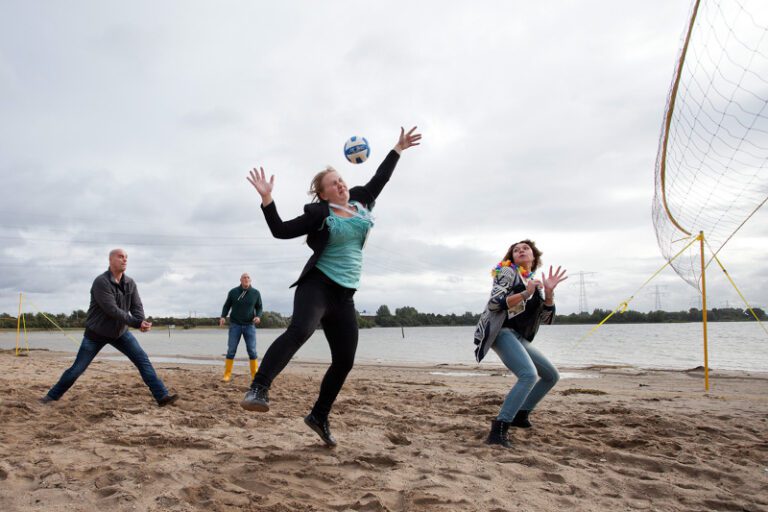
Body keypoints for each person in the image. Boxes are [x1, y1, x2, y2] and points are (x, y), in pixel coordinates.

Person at [240, 126, 422, 446]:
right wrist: (267, 199)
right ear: (323, 194)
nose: (340, 184)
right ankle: (259, 387)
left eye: (341, 179)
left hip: (345, 295)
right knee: (300, 330)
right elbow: (281, 231)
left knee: (345, 360)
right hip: (318, 285)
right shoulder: (319, 213)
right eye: (332, 184)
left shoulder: (363, 200)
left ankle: (319, 416)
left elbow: (381, 177)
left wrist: (398, 148)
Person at [41, 248, 179, 407]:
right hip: (95, 334)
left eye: (126, 257)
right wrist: (136, 323)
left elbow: (137, 306)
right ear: (111, 260)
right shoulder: (101, 282)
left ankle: (162, 397)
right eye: (120, 257)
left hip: (120, 333)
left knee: (143, 360)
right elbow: (112, 310)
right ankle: (51, 397)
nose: (124, 260)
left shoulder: (130, 283)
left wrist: (142, 321)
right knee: (77, 369)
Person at [473, 240, 567, 447]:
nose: (521, 251)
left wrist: (549, 293)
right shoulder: (507, 273)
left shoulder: (530, 280)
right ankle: (499, 428)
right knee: (528, 375)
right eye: (516, 250)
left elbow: (547, 320)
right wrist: (526, 293)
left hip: (520, 337)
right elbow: (494, 303)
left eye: (525, 248)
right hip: (502, 332)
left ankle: (520, 415)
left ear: (534, 257)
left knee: (551, 375)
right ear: (512, 257)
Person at [219, 272, 263, 382]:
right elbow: (226, 306)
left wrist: (258, 316)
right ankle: (227, 375)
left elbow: (259, 307)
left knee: (252, 351)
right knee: (231, 350)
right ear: (240, 280)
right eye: (244, 277)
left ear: (250, 280)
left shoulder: (255, 293)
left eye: (248, 277)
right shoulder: (233, 292)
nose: (246, 279)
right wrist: (223, 316)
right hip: (235, 325)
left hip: (249, 325)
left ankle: (254, 375)